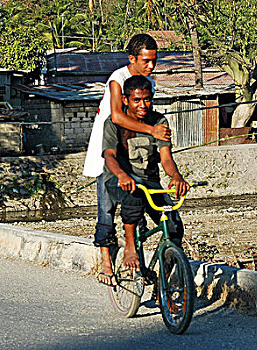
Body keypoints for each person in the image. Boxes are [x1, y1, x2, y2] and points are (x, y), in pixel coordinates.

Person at [82, 34, 171, 286]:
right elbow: (118, 118)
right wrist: (153, 131)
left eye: (154, 61)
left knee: (140, 205)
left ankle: (148, 267)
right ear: (132, 58)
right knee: (106, 209)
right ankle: (106, 262)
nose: (151, 66)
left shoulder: (147, 82)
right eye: (146, 61)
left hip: (136, 153)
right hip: (110, 148)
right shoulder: (117, 80)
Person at [102, 75, 189, 271]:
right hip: (118, 181)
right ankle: (130, 246)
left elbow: (166, 158)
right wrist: (122, 175)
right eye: (137, 100)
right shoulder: (113, 123)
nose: (143, 105)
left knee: (174, 226)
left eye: (147, 99)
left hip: (150, 182)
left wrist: (176, 177)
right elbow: (109, 156)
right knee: (134, 192)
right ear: (125, 100)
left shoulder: (159, 121)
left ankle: (163, 283)